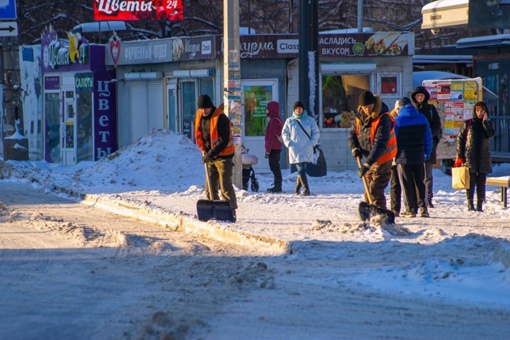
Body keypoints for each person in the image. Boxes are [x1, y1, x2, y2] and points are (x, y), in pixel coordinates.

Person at [348, 91, 397, 209]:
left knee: (375, 189)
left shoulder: (383, 118)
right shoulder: (359, 117)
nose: (367, 110)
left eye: (369, 107)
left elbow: (380, 143)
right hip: (369, 157)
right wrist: (355, 148)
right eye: (365, 108)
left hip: (383, 157)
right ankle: (372, 213)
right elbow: (352, 134)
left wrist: (367, 164)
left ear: (374, 104)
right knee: (368, 190)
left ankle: (381, 214)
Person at [194, 94, 238, 215]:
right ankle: (215, 212)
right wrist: (204, 150)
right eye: (201, 109)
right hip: (209, 155)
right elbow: (199, 133)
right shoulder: (199, 115)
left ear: (211, 106)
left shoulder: (221, 118)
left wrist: (210, 154)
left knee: (225, 187)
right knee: (210, 189)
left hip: (223, 156)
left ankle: (231, 211)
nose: (204, 111)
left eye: (206, 108)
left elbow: (223, 141)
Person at [393, 98, 433, 218]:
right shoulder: (422, 118)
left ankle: (410, 209)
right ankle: (423, 208)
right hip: (419, 156)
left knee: (406, 183)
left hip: (403, 157)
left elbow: (393, 141)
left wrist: (393, 156)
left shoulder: (397, 121)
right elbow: (428, 138)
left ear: (399, 108)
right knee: (420, 182)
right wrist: (427, 152)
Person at [454, 101, 495, 212]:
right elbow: (460, 140)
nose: (479, 113)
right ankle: (470, 203)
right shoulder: (468, 123)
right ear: (474, 111)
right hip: (470, 156)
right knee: (470, 181)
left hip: (483, 157)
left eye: (482, 111)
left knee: (481, 181)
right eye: (477, 110)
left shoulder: (488, 123)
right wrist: (459, 156)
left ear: (485, 111)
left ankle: (480, 204)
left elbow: (490, 134)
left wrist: (485, 122)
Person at [411, 86, 442, 208]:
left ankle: (428, 198)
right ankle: (418, 198)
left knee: (428, 174)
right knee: (415, 174)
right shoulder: (412, 109)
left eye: (422, 95)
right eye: (417, 95)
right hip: (414, 145)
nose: (419, 98)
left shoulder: (430, 109)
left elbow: (437, 125)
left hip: (429, 145)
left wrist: (429, 136)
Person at [281, 101, 320, 196]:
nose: (298, 110)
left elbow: (316, 132)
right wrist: (288, 143)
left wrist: (312, 143)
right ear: (294, 110)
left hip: (307, 148)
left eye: (300, 108)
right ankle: (306, 190)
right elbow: (284, 133)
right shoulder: (289, 121)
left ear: (303, 109)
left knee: (301, 170)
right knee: (301, 169)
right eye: (296, 108)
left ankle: (297, 189)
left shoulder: (310, 120)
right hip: (295, 149)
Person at [265, 101, 284, 193]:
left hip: (274, 148)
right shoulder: (276, 119)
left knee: (274, 166)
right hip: (276, 147)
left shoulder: (274, 121)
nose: (266, 111)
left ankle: (278, 185)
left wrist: (267, 150)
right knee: (275, 166)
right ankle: (277, 184)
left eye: (267, 109)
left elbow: (271, 137)